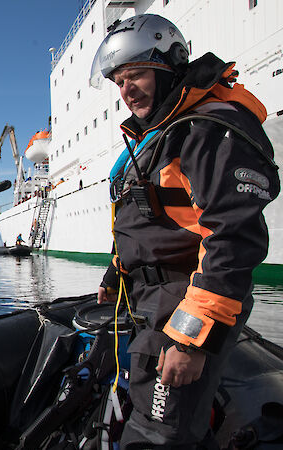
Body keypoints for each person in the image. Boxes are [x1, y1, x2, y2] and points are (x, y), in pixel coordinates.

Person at [90, 14, 279, 449]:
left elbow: (234, 238)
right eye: (119, 80)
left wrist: (190, 341)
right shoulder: (160, 133)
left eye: (135, 74)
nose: (126, 90)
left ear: (170, 65)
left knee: (158, 436)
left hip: (183, 304)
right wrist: (115, 274)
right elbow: (154, 221)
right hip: (152, 301)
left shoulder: (206, 128)